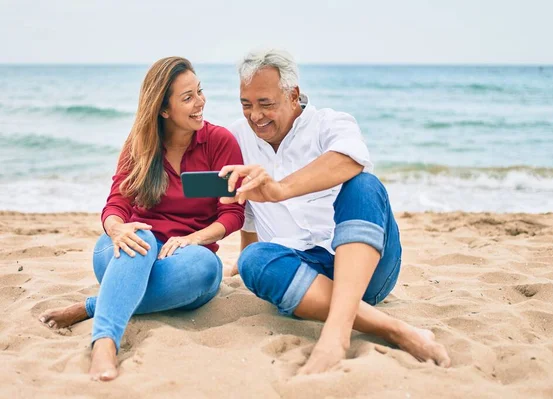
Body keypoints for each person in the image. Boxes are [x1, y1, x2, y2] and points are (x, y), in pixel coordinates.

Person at [219, 49, 451, 374]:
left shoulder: (330, 123)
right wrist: (239, 259)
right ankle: (395, 329)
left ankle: (337, 332)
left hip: (366, 272)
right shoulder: (236, 138)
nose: (255, 115)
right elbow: (249, 213)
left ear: (293, 94)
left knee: (364, 185)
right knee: (253, 259)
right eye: (246, 104)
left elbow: (350, 158)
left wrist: (280, 189)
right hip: (301, 275)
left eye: (265, 103)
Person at [38, 57, 245, 381]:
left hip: (185, 261)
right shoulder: (139, 145)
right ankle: (105, 343)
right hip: (128, 249)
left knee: (206, 267)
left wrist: (194, 239)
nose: (200, 102)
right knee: (142, 239)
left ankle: (94, 306)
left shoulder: (220, 143)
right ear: (163, 109)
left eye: (199, 92)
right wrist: (116, 229)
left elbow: (232, 213)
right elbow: (116, 203)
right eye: (187, 97)